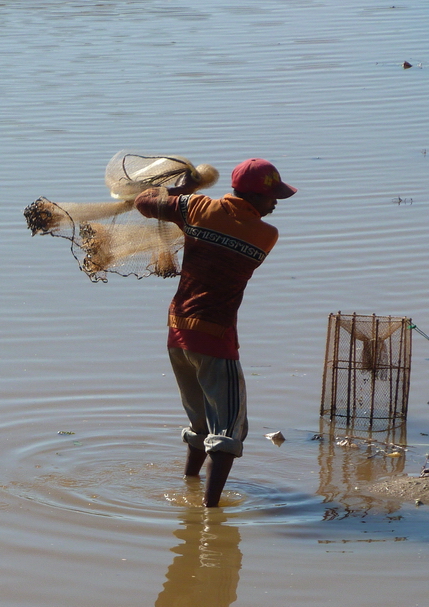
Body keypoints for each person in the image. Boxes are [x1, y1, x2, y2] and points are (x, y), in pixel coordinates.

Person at [134, 158, 297, 507]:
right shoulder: (265, 235)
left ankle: (190, 485)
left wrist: (182, 191)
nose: (276, 203)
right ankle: (209, 511)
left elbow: (143, 202)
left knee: (199, 422)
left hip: (177, 332)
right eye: (272, 197)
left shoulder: (195, 208)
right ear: (254, 197)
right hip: (216, 338)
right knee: (228, 431)